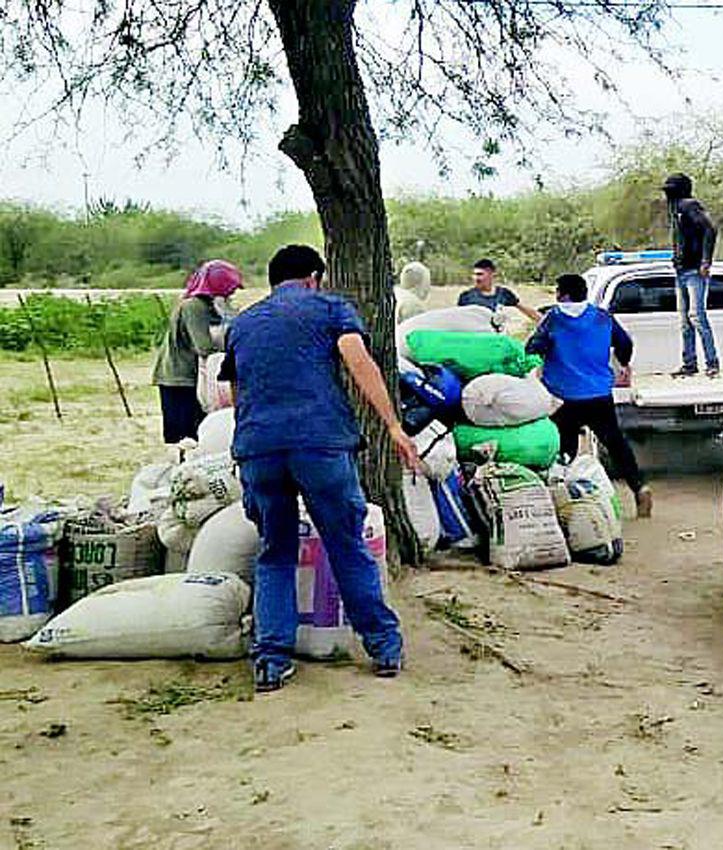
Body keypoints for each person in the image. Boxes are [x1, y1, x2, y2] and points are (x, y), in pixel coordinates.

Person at [220, 244, 422, 693]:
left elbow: (235, 390)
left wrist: (250, 439)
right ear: (314, 277)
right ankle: (383, 647)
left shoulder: (243, 323)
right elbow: (357, 359)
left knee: (275, 550)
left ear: (273, 282)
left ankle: (271, 661)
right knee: (346, 543)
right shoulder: (330, 307)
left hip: (258, 448)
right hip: (320, 444)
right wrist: (393, 425)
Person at [526, 273, 653, 519]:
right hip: (599, 394)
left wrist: (541, 360)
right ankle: (640, 487)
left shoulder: (553, 318)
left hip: (563, 396)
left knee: (564, 448)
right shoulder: (602, 317)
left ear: (562, 294)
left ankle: (565, 501)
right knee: (616, 444)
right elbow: (625, 343)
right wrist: (623, 363)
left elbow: (533, 347)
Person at [151, 259, 242, 444]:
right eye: (229, 288)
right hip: (180, 379)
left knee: (201, 433)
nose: (232, 292)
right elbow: (204, 346)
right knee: (185, 437)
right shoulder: (193, 307)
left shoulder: (214, 307)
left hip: (198, 378)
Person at [662, 173, 720, 378]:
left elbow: (710, 229)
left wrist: (706, 261)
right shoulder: (677, 208)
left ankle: (712, 363)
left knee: (696, 316)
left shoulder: (688, 205)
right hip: (681, 269)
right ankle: (689, 363)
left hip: (694, 269)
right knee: (686, 321)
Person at [459, 258, 542, 322]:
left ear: (491, 274)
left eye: (480, 274)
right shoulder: (466, 296)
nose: (476, 278)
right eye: (474, 275)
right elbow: (459, 320)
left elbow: (528, 311)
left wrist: (546, 323)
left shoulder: (504, 294)